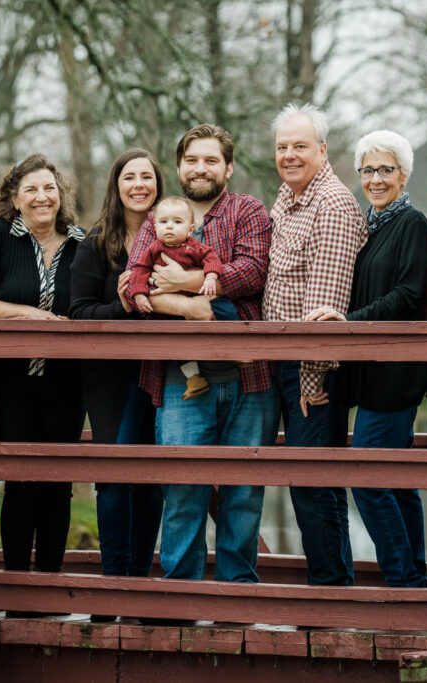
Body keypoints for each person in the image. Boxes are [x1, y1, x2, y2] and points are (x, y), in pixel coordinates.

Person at [124, 124, 278, 583]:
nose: (201, 168)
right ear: (178, 167)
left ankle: (237, 592)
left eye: (211, 160)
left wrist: (185, 282)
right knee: (183, 487)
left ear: (228, 167)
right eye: (192, 160)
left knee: (244, 492)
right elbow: (139, 283)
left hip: (249, 376)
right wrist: (197, 307)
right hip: (180, 376)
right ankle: (180, 594)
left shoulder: (248, 209)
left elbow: (252, 272)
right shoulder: (160, 216)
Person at [306, 130, 427, 587]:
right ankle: (414, 575)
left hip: (395, 371)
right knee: (395, 478)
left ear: (404, 174)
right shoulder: (368, 223)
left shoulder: (413, 223)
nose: (376, 179)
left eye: (386, 170)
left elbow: (407, 294)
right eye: (368, 171)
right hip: (366, 370)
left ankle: (403, 581)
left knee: (367, 475)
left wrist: (349, 320)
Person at [0, 153, 86, 587]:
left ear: (60, 193)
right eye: (30, 189)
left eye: (48, 187)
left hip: (66, 384)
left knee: (57, 483)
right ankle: (15, 582)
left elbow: (86, 308)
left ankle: (48, 581)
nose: (41, 196)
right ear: (14, 197)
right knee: (17, 479)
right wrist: (29, 315)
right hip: (12, 382)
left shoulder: (80, 242)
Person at [263, 103, 367, 586]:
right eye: (282, 147)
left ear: (322, 150)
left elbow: (324, 307)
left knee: (313, 483)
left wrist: (309, 377)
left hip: (313, 370)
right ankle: (332, 585)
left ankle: (330, 592)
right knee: (307, 482)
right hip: (281, 363)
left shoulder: (333, 205)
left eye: (300, 146)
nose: (289, 155)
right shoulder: (285, 199)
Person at [69, 149, 164, 620]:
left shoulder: (174, 237)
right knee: (113, 478)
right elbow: (79, 311)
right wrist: (122, 308)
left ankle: (140, 587)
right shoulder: (96, 242)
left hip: (162, 373)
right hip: (109, 376)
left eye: (147, 176)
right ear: (117, 185)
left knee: (152, 482)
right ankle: (113, 588)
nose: (139, 184)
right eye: (130, 176)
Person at [129, 195, 239, 400]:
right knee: (174, 338)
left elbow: (211, 258)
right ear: (155, 226)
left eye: (177, 222)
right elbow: (140, 270)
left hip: (202, 297)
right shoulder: (154, 249)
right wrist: (139, 294)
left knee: (225, 306)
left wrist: (210, 278)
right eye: (163, 222)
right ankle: (194, 378)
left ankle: (238, 347)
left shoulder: (194, 246)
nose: (169, 227)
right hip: (172, 308)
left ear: (190, 229)